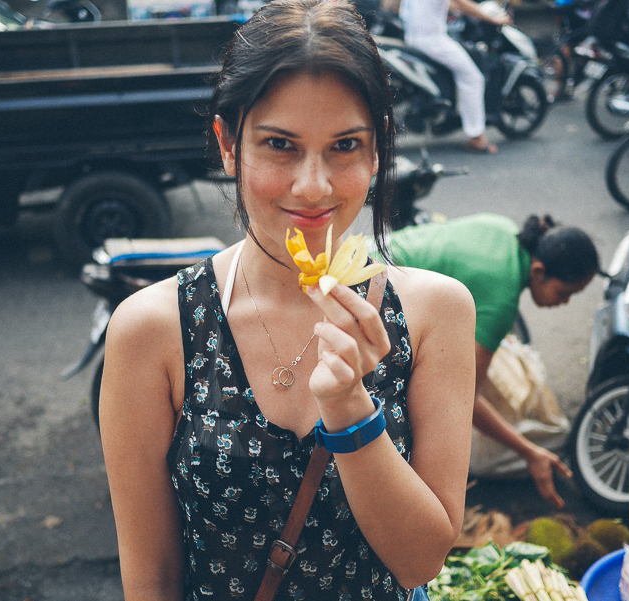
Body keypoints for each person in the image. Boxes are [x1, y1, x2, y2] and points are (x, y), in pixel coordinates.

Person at [99, 1, 477, 599]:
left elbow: (420, 562)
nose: (313, 186)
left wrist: (351, 408)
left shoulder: (436, 313)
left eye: (345, 145)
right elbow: (152, 578)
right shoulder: (153, 329)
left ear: (377, 150)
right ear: (228, 145)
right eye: (280, 145)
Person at [388, 213, 601, 510]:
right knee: (420, 414)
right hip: (375, 293)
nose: (564, 303)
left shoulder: (503, 229)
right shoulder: (502, 300)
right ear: (538, 272)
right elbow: (465, 399)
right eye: (564, 293)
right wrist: (529, 452)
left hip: (369, 252)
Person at [398, 0, 511, 153]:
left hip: (413, 39)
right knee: (472, 78)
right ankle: (476, 136)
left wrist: (468, 10)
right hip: (432, 40)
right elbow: (461, 2)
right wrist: (491, 18)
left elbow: (448, 4)